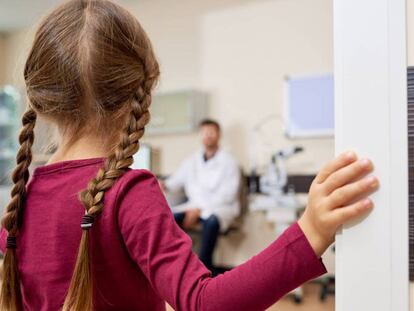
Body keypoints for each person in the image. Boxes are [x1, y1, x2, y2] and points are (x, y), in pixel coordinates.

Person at [0, 1, 379, 310]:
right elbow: (203, 301)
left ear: (41, 98)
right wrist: (310, 231)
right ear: (142, 91)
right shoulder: (128, 192)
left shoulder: (22, 201)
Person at [161, 119, 240, 271]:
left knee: (211, 221)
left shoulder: (229, 162)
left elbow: (228, 195)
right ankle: (172, 266)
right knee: (169, 219)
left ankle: (204, 267)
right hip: (194, 207)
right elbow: (176, 180)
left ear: (219, 135)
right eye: (204, 132)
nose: (208, 136)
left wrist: (199, 209)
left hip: (221, 209)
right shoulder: (192, 160)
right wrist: (164, 185)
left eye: (211, 132)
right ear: (200, 136)